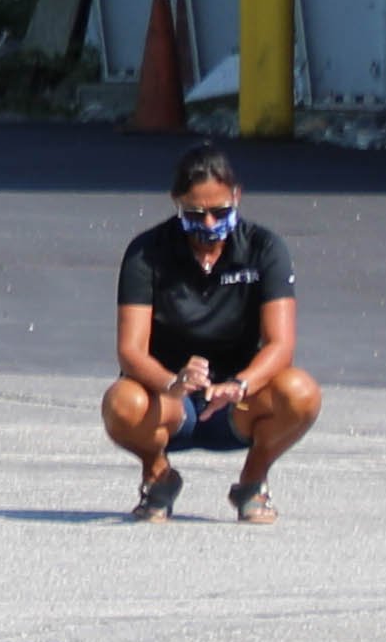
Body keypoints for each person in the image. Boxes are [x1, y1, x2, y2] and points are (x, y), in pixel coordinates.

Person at [106, 146, 319, 521]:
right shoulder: (146, 252)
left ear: (237, 196)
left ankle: (252, 482)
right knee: (121, 402)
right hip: (171, 403)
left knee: (301, 393)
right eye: (195, 214)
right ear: (177, 203)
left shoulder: (264, 248)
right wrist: (172, 383)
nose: (208, 225)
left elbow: (280, 344)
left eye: (220, 212)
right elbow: (130, 350)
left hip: (236, 404)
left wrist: (240, 384)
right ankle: (158, 475)